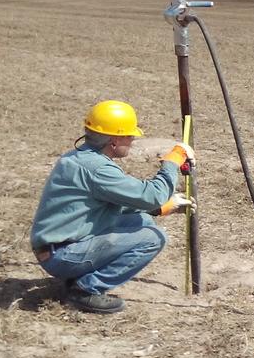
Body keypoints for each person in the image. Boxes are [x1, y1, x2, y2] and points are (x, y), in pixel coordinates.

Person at [30, 100, 194, 314]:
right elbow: (152, 195)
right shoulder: (97, 169)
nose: (133, 140)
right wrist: (171, 162)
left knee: (141, 221)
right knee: (153, 238)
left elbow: (109, 204)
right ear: (114, 140)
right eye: (129, 135)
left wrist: (159, 209)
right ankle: (84, 290)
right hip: (61, 255)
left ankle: (78, 277)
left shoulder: (80, 158)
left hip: (61, 247)